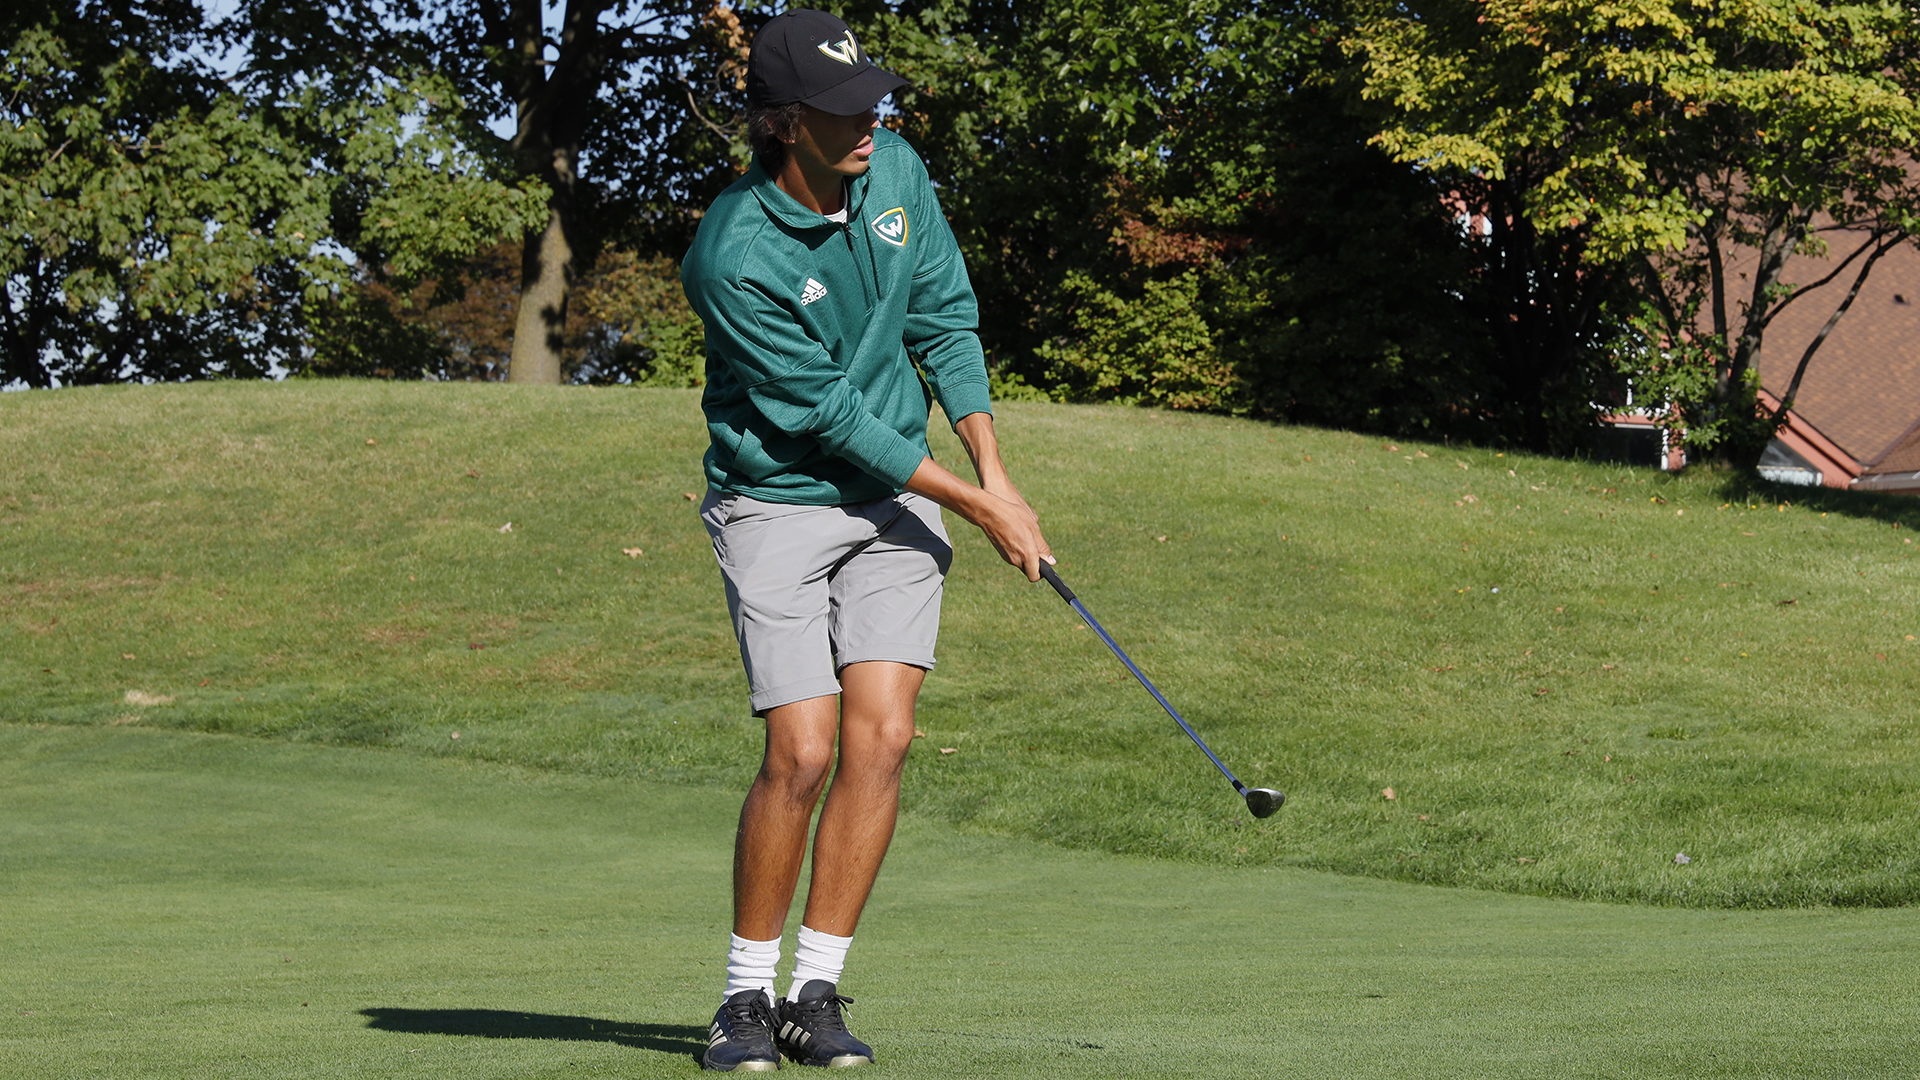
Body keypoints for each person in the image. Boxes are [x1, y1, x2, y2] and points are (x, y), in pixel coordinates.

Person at [679, 8, 1051, 1072]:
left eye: (875, 101)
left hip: (897, 504)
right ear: (783, 124)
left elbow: (944, 316)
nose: (870, 124)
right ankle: (744, 1000)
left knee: (880, 739)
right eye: (845, 111)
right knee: (801, 751)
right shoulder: (734, 253)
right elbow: (829, 417)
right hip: (779, 499)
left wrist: (994, 471)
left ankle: (814, 992)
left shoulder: (895, 174)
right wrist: (978, 509)